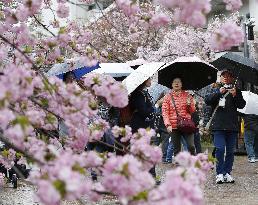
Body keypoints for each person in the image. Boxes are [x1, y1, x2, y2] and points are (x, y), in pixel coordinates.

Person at [205, 69, 246, 184]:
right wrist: (219, 92)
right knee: (220, 149)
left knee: (230, 151)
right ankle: (219, 173)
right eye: (224, 76)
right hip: (218, 126)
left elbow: (242, 105)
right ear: (221, 78)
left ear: (232, 78)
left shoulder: (236, 90)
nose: (226, 78)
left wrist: (235, 95)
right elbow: (207, 100)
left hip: (232, 126)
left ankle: (227, 173)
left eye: (229, 76)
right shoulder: (215, 88)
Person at [129, 78, 159, 184]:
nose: (150, 80)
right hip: (139, 127)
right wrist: (155, 106)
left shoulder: (144, 93)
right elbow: (144, 111)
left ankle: (150, 176)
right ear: (143, 81)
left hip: (146, 126)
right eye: (149, 79)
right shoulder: (137, 95)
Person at [162, 77, 196, 157]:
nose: (176, 83)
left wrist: (189, 105)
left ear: (181, 84)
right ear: (172, 84)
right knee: (176, 149)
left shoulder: (187, 95)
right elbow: (165, 112)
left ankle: (193, 161)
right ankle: (178, 167)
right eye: (174, 82)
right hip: (174, 126)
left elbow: (192, 111)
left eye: (178, 82)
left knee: (191, 146)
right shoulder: (167, 97)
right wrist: (168, 124)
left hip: (186, 124)